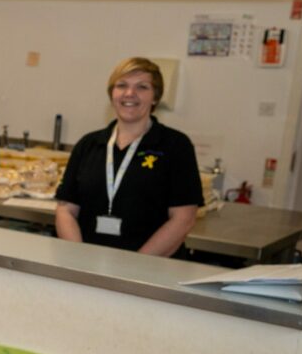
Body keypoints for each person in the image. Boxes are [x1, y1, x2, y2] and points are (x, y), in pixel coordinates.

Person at [54, 57, 203, 257]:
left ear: (156, 97)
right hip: (89, 265)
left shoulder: (175, 146)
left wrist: (136, 267)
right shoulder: (88, 145)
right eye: (121, 85)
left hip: (149, 271)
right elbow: (66, 210)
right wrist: (79, 259)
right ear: (112, 94)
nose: (129, 93)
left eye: (142, 87)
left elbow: (183, 219)